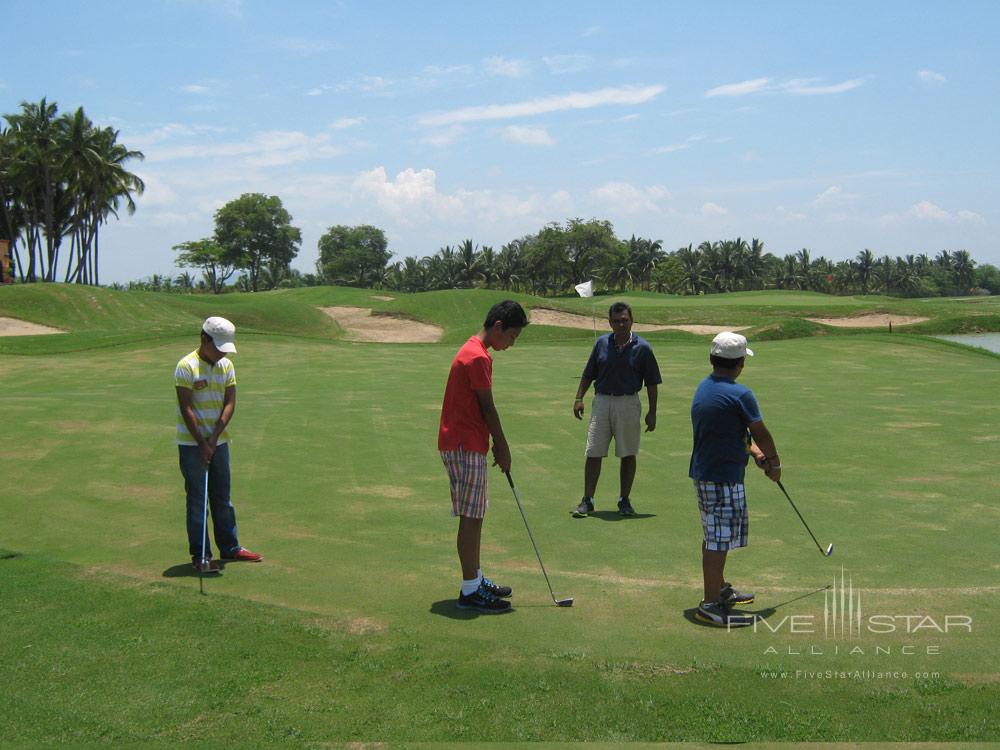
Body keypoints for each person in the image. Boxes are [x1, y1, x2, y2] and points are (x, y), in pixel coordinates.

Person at [439, 300, 528, 613]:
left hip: (466, 441)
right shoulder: (477, 357)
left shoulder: (475, 350)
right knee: (471, 517)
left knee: (474, 514)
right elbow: (487, 407)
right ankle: (469, 591)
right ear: (499, 326)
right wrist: (502, 446)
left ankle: (475, 579)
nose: (511, 344)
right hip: (464, 443)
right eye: (512, 337)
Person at [689, 332, 781, 628]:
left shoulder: (705, 388)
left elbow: (737, 435)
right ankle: (710, 605)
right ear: (740, 363)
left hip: (707, 473)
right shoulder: (740, 394)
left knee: (716, 535)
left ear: (712, 359)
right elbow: (761, 432)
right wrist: (774, 463)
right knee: (718, 539)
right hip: (722, 476)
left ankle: (718, 590)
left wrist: (755, 454)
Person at [175, 317, 262, 572]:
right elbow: (186, 408)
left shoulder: (226, 365)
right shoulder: (186, 366)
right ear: (204, 340)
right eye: (218, 346)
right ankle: (200, 555)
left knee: (223, 498)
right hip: (191, 445)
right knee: (198, 500)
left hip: (219, 441)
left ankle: (230, 547)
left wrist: (213, 438)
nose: (223, 351)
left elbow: (230, 403)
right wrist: (202, 443)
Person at [572, 301, 661, 517]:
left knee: (628, 453)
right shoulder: (601, 344)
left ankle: (624, 500)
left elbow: (651, 382)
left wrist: (652, 412)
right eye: (616, 321)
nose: (621, 325)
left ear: (632, 321)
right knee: (593, 451)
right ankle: (588, 500)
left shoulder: (643, 348)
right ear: (610, 323)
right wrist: (578, 397)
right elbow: (588, 373)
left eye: (625, 320)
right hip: (602, 402)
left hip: (628, 403)